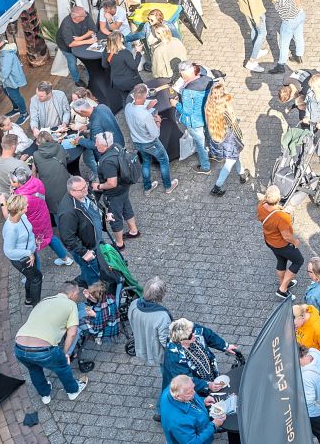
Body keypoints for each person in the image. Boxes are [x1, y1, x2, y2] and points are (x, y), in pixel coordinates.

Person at [13, 282, 87, 402]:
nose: (78, 296)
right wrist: (65, 352)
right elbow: (72, 333)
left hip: (19, 347)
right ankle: (73, 391)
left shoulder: (44, 300)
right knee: (62, 366)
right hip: (43, 349)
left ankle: (45, 395)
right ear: (72, 293)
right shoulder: (70, 304)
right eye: (77, 293)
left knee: (34, 369)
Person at [129, 277, 174, 421]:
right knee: (169, 380)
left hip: (144, 345)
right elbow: (165, 340)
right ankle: (160, 411)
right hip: (160, 354)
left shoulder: (134, 304)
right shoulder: (162, 316)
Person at [124, 84, 175, 194]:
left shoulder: (128, 107)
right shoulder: (146, 115)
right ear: (145, 96)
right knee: (164, 160)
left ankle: (147, 188)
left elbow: (137, 112)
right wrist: (158, 122)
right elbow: (155, 134)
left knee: (146, 162)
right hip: (150, 142)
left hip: (137, 141)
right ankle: (168, 186)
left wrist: (147, 107)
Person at [91, 132, 140, 248]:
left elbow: (111, 183)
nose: (95, 145)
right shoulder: (116, 146)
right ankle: (134, 231)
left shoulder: (108, 162)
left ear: (105, 146)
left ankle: (119, 243)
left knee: (114, 217)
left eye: (97, 144)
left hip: (114, 194)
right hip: (124, 187)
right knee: (126, 207)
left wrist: (98, 186)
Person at [56, 176, 105, 286]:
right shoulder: (68, 212)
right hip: (86, 248)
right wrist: (84, 252)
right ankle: (95, 295)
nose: (86, 190)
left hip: (94, 240)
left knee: (92, 268)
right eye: (82, 189)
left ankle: (83, 278)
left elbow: (95, 206)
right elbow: (68, 238)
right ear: (72, 191)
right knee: (93, 273)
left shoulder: (84, 193)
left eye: (86, 186)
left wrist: (105, 215)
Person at [258, 185, 303, 298]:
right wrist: (295, 242)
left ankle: (284, 282)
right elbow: (286, 236)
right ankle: (282, 289)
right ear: (278, 199)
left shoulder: (261, 206)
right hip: (282, 245)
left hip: (270, 241)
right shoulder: (281, 216)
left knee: (281, 260)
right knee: (298, 261)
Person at [204, 82, 245, 195]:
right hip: (229, 141)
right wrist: (240, 138)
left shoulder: (208, 107)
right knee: (229, 163)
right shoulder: (226, 110)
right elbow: (235, 128)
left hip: (216, 139)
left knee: (234, 156)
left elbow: (208, 126)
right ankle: (217, 187)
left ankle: (242, 174)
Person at [173, 61, 213, 176]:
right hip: (207, 115)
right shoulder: (208, 79)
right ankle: (215, 154)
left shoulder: (187, 91)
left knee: (200, 145)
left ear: (183, 74)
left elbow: (187, 111)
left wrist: (175, 104)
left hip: (195, 122)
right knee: (208, 136)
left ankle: (205, 167)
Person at [233, 0, 272, 73]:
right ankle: (252, 61)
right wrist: (257, 18)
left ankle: (257, 49)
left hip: (246, 11)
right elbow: (252, 3)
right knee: (262, 32)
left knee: (254, 30)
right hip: (256, 12)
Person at [3, 194, 42, 305]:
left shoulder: (21, 217)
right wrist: (28, 252)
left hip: (30, 253)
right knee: (36, 279)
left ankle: (29, 299)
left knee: (31, 278)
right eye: (25, 205)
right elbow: (8, 251)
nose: (27, 205)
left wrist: (33, 242)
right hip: (22, 259)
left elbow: (27, 231)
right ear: (19, 209)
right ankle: (37, 307)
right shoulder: (11, 230)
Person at [160, 374, 222, 443]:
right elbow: (193, 442)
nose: (194, 392)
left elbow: (190, 399)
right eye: (189, 392)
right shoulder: (179, 421)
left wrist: (202, 400)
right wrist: (213, 425)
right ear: (178, 396)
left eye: (193, 388)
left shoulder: (173, 388)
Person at [0, 33, 27, 121]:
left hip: (10, 80)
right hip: (4, 80)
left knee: (15, 95)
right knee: (8, 94)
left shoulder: (6, 53)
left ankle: (24, 113)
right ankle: (16, 109)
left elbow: (5, 71)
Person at [57, 6, 97, 85]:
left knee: (87, 59)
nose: (86, 15)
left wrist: (80, 38)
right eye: (84, 15)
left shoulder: (85, 14)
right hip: (66, 46)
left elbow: (93, 29)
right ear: (77, 17)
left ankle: (91, 78)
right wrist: (88, 41)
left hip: (80, 39)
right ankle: (76, 80)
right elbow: (71, 43)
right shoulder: (66, 24)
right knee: (72, 63)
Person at [276, 0, 307, 66]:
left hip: (290, 22)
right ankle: (299, 56)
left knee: (284, 43)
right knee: (299, 37)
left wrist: (276, 2)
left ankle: (281, 64)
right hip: (300, 16)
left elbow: (283, 12)